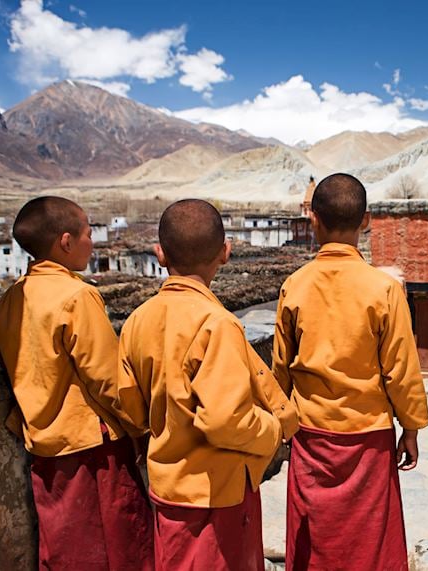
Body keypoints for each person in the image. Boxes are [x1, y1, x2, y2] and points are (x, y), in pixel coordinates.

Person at [117, 199, 299, 570]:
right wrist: (272, 429)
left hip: (169, 487)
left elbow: (132, 410)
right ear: (226, 252)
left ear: (160, 255)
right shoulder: (217, 324)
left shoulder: (137, 321)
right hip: (218, 494)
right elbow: (225, 421)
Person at [273, 173, 428, 570]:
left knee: (317, 544)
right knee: (369, 545)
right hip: (369, 439)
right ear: (366, 220)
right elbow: (401, 369)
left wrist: (281, 426)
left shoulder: (295, 286)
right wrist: (409, 429)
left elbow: (280, 370)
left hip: (312, 438)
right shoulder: (383, 290)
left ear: (314, 220)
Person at [0, 196, 153, 570]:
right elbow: (108, 381)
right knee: (117, 551)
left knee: (65, 550)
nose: (92, 241)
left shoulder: (10, 300)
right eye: (87, 232)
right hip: (91, 452)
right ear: (65, 242)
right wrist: (141, 427)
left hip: (44, 448)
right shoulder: (76, 296)